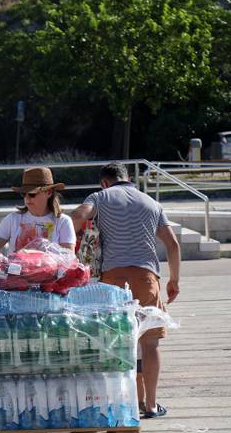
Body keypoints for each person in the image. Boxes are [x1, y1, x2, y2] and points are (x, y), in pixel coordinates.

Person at [70, 162, 180, 419]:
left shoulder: (99, 197)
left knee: (116, 342)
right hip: (146, 277)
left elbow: (77, 215)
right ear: (128, 178)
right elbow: (172, 244)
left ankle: (122, 403)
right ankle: (151, 405)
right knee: (149, 343)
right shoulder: (151, 202)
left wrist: (66, 245)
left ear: (105, 182)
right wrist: (174, 280)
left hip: (112, 280)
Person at [0, 167, 76, 253]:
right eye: (24, 194)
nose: (27, 198)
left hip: (51, 268)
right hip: (17, 268)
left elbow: (68, 258)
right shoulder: (12, 219)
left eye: (32, 194)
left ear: (49, 193)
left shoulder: (63, 221)